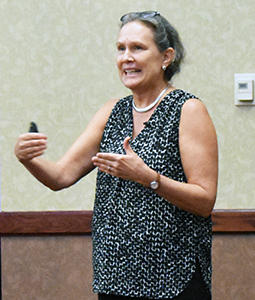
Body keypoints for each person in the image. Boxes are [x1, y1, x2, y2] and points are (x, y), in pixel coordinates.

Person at [15, 11, 218, 300]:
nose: (126, 57)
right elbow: (60, 177)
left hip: (174, 276)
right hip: (115, 275)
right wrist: (28, 159)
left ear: (166, 57)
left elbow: (205, 200)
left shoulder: (187, 110)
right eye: (120, 49)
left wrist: (147, 177)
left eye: (137, 48)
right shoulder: (111, 112)